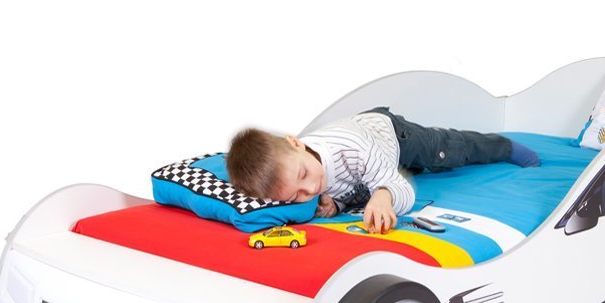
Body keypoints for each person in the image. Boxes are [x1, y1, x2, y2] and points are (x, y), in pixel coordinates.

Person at [226, 106, 539, 234]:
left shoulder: (352, 146)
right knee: (389, 177)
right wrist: (336, 206)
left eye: (303, 176)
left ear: (296, 143)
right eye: (295, 196)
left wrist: (383, 196)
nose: (309, 191)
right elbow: (351, 190)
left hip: (392, 136)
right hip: (373, 162)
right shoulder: (302, 176)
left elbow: (400, 188)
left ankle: (503, 146)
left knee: (450, 151)